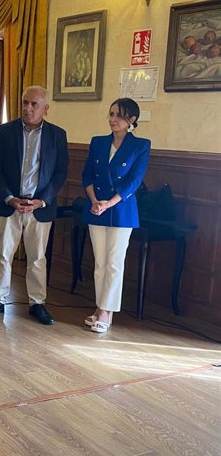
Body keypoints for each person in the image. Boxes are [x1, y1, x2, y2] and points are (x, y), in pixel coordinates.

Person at [0, 85, 68, 325]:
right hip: (9, 204)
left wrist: (42, 200)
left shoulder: (57, 135)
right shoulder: (6, 131)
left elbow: (60, 173)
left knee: (37, 258)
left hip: (40, 207)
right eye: (25, 103)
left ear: (46, 109)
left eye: (34, 104)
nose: (28, 108)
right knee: (3, 254)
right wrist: (9, 197)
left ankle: (37, 303)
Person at [81, 98, 151, 333]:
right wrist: (94, 201)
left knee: (114, 263)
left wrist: (108, 203)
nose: (113, 120)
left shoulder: (141, 145)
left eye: (119, 116)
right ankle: (100, 305)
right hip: (96, 208)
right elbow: (87, 175)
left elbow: (133, 182)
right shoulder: (98, 142)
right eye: (111, 114)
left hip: (121, 210)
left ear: (131, 120)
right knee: (100, 262)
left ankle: (106, 311)